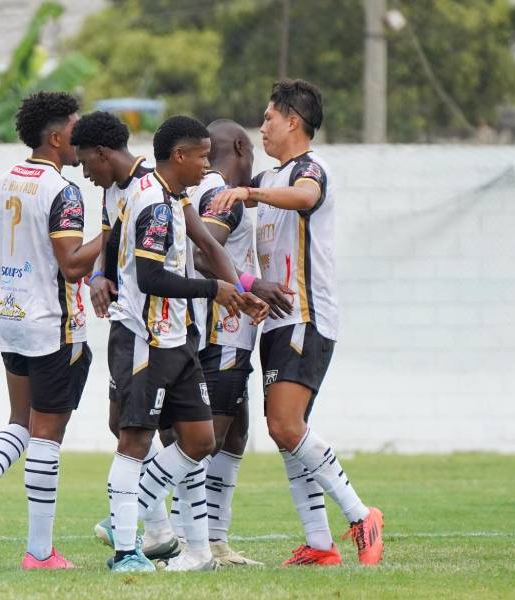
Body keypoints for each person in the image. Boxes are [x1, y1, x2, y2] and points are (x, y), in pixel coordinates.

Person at [210, 79, 384, 566]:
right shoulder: (270, 177)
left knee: (286, 426)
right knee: (286, 431)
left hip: (307, 316)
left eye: (268, 117)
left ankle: (361, 515)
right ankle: (320, 544)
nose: (262, 126)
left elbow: (306, 197)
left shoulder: (310, 169)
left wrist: (248, 191)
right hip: (277, 322)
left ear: (293, 120)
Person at [105, 115, 268, 573]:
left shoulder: (174, 197)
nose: (206, 165)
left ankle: (174, 541)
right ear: (179, 156)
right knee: (134, 439)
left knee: (199, 440)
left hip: (178, 339)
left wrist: (239, 292)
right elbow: (151, 278)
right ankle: (125, 550)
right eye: (201, 156)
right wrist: (214, 290)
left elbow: (210, 248)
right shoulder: (155, 205)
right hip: (146, 339)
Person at [0, 92, 101, 570]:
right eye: (74, 130)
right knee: (46, 437)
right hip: (53, 325)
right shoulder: (63, 190)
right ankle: (39, 552)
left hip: (11, 317)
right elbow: (71, 265)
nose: (80, 138)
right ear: (55, 137)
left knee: (19, 421)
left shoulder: (3, 182)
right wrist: (114, 229)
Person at [173, 118, 293, 567]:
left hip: (228, 333)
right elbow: (205, 254)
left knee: (236, 433)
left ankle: (216, 540)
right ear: (241, 147)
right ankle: (170, 532)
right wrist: (252, 284)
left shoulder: (205, 189)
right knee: (209, 438)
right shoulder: (222, 195)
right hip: (221, 332)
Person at [70, 111, 178, 561]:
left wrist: (232, 287)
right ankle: (160, 531)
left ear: (101, 153)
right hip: (124, 324)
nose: (83, 173)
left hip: (154, 329)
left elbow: (182, 251)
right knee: (121, 424)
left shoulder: (152, 189)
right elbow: (108, 244)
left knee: (155, 434)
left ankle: (136, 526)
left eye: (84, 162)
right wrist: (98, 276)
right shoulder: (112, 191)